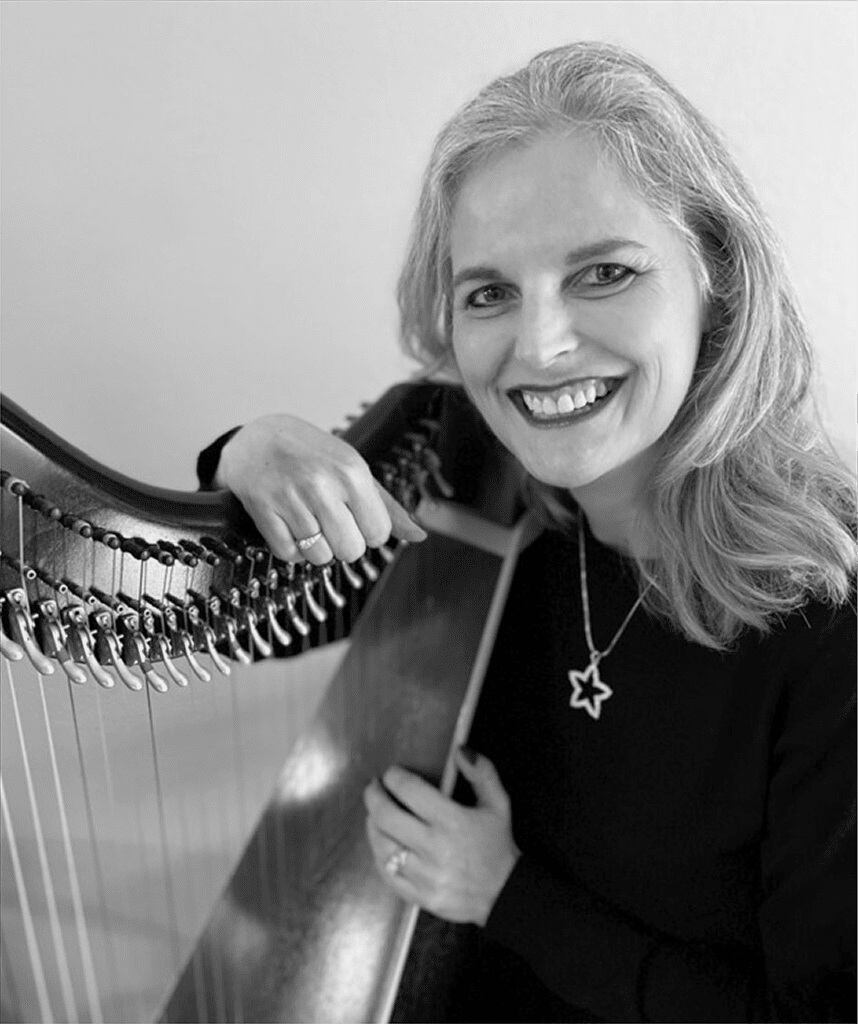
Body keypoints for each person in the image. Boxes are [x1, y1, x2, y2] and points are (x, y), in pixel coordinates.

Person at [196, 42, 856, 1022]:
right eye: (489, 292)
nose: (540, 348)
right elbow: (239, 619)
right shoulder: (467, 459)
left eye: (604, 272)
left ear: (713, 274)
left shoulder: (829, 613)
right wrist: (238, 461)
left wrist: (507, 897)